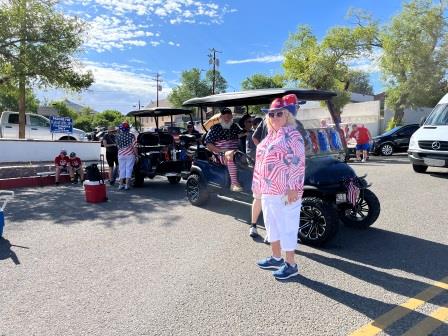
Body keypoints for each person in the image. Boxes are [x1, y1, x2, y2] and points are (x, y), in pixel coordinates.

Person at [252, 94, 306, 280]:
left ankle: (291, 264)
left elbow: (298, 163)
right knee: (271, 225)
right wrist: (257, 186)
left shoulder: (293, 134)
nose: (275, 117)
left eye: (279, 114)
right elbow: (260, 163)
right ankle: (276, 257)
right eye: (272, 114)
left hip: (285, 192)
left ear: (287, 116)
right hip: (268, 191)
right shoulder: (269, 137)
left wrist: (293, 187)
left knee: (287, 227)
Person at [204, 107, 243, 192]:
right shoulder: (215, 128)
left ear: (232, 117)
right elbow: (208, 144)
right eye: (225, 117)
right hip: (220, 154)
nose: (227, 119)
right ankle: (234, 183)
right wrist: (221, 150)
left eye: (229, 117)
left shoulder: (235, 127)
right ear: (221, 117)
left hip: (236, 152)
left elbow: (241, 135)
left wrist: (249, 132)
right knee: (230, 156)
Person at [246, 116, 263, 238]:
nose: (256, 127)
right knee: (259, 197)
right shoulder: (251, 136)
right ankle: (253, 225)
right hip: (255, 164)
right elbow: (250, 152)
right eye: (255, 125)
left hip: (271, 168)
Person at [116, 121, 138, 190]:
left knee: (121, 169)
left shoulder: (117, 136)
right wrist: (137, 155)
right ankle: (127, 185)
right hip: (130, 154)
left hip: (120, 154)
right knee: (129, 169)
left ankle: (120, 185)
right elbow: (134, 146)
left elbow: (118, 146)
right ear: (128, 128)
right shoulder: (131, 136)